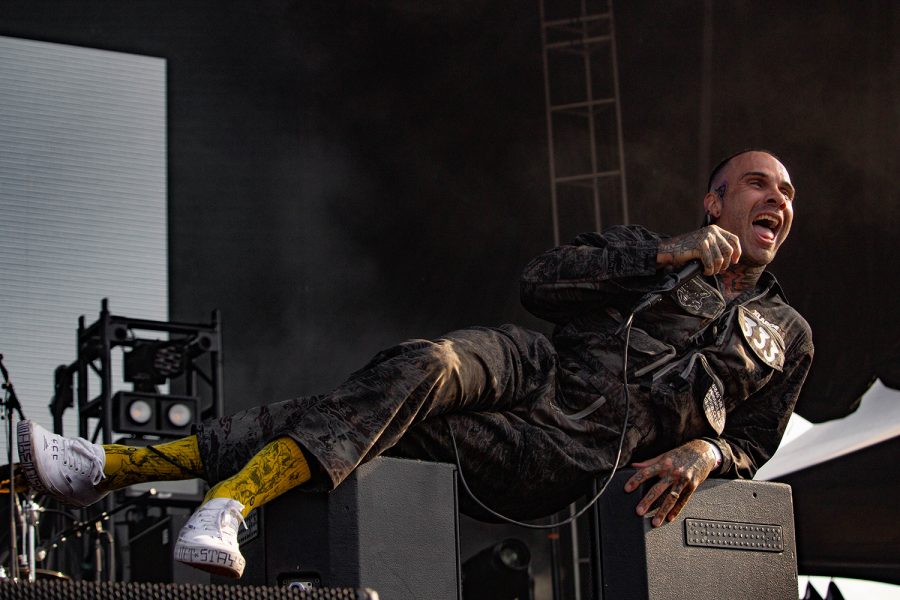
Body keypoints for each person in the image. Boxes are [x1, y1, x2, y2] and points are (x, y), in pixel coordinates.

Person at [13, 149, 813, 579]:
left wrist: (709, 450)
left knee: (355, 422)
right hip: (539, 364)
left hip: (572, 451)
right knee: (423, 365)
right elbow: (541, 283)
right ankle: (209, 498)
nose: (774, 198)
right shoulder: (652, 248)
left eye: (784, 192)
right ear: (716, 203)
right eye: (755, 183)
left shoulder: (788, 333)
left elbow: (756, 438)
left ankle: (121, 468)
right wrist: (669, 254)